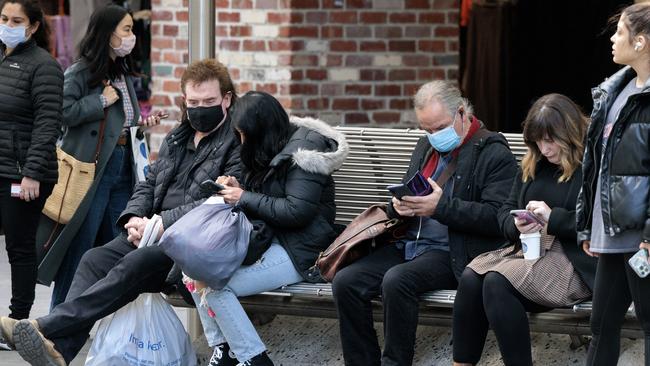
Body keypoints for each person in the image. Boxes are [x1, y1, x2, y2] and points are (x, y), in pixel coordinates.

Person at [0, 58, 241, 366]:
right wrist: (133, 218)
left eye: (209, 101)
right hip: (150, 232)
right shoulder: (178, 138)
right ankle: (61, 349)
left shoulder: (235, 144)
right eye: (193, 102)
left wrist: (161, 223)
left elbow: (215, 201)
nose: (199, 108)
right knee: (93, 259)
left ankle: (46, 327)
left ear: (226, 99)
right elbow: (148, 183)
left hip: (189, 246)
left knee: (134, 263)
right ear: (184, 101)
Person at [331, 80, 518, 366]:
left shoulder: (492, 152)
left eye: (439, 127)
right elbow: (410, 190)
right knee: (346, 281)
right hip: (409, 243)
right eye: (426, 129)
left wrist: (440, 208)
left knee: (397, 280)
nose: (434, 135)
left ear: (461, 113)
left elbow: (497, 218)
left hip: (454, 251)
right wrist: (400, 207)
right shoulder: (426, 147)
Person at [188, 91, 348, 366]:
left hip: (303, 250)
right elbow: (271, 194)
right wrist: (241, 189)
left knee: (215, 286)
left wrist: (244, 198)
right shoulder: (273, 143)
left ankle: (254, 359)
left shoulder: (304, 155)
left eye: (242, 135)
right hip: (270, 238)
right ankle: (224, 350)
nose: (240, 142)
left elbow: (297, 212)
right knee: (192, 270)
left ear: (259, 130)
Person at [452, 94, 596, 366]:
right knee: (472, 277)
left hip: (572, 261)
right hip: (529, 252)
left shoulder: (592, 166)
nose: (545, 148)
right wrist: (515, 224)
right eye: (538, 141)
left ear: (570, 134)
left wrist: (553, 218)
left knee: (496, 281)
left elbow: (597, 222)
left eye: (551, 140)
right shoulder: (534, 163)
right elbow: (504, 212)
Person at [40, 4, 164, 309]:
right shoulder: (81, 71)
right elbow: (62, 112)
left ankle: (109, 319)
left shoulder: (121, 71)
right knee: (80, 245)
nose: (132, 36)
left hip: (123, 165)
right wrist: (99, 100)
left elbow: (119, 120)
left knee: (119, 243)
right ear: (108, 34)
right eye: (126, 29)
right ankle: (59, 319)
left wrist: (142, 123)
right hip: (90, 170)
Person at [577, 4, 650, 364]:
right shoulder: (615, 90)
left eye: (619, 32)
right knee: (601, 325)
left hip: (643, 239)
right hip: (612, 234)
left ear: (640, 42)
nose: (612, 39)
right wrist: (587, 224)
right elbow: (596, 166)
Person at [0, 0, 63, 320]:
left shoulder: (44, 66)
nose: (8, 26)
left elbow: (47, 123)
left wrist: (33, 174)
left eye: (16, 20)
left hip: (23, 174)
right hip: (3, 166)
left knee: (19, 246)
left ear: (34, 26)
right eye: (3, 18)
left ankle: (17, 320)